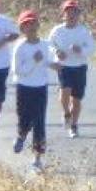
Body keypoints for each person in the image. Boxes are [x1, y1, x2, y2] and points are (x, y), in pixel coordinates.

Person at [12, 10, 61, 171]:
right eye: (26, 24)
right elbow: (18, 70)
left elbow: (52, 59)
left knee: (39, 123)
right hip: (24, 87)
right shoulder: (20, 47)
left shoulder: (45, 45)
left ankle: (37, 159)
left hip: (40, 88)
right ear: (22, 28)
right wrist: (34, 61)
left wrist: (55, 64)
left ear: (38, 25)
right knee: (25, 119)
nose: (31, 27)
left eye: (33, 23)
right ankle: (21, 135)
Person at [48, 0, 96, 139]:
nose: (71, 15)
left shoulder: (83, 31)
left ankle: (74, 125)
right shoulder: (57, 30)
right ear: (63, 15)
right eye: (68, 12)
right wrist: (57, 52)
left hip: (80, 67)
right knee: (64, 94)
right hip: (64, 66)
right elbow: (49, 45)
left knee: (76, 100)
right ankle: (66, 114)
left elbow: (92, 49)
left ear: (78, 14)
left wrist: (80, 49)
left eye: (74, 12)